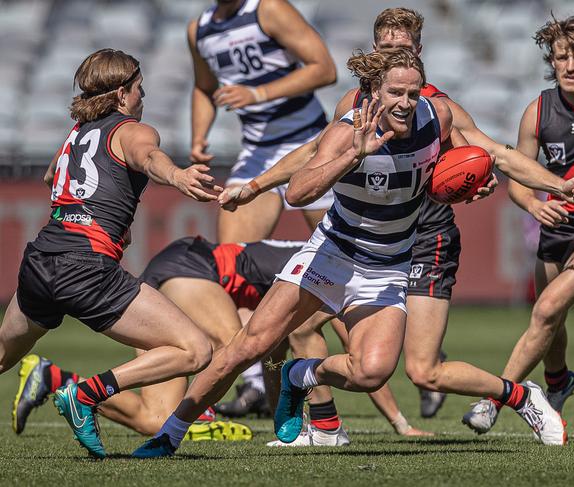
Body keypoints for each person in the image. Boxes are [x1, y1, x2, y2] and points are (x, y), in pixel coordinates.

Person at [131, 48, 564, 458]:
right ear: (375, 91)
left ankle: (299, 375)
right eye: (396, 93)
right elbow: (299, 193)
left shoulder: (439, 118)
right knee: (248, 346)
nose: (406, 102)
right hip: (331, 255)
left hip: (390, 264)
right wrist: (353, 155)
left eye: (413, 93)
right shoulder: (348, 130)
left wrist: (544, 184)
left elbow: (490, 157)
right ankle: (170, 433)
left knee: (371, 372)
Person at [219, 7, 574, 440]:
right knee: (303, 326)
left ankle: (520, 396)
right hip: (364, 245)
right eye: (385, 47)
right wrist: (257, 184)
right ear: (375, 52)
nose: (393, 54)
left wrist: (554, 185)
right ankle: (320, 418)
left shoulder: (436, 107)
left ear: (418, 51)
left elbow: (496, 155)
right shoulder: (354, 104)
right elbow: (311, 155)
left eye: (402, 48)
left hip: (426, 237)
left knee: (424, 370)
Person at [0, 49, 223, 459]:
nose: (144, 95)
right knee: (195, 350)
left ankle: (80, 393)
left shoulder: (78, 130)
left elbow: (53, 177)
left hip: (42, 258)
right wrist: (177, 175)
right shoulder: (133, 130)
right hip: (85, 267)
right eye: (140, 88)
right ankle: (85, 394)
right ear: (122, 93)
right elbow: (150, 159)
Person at [13, 235, 427, 445]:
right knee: (241, 346)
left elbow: (284, 351)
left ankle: (59, 382)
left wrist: (275, 407)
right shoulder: (329, 266)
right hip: (193, 266)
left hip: (175, 275)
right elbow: (346, 345)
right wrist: (399, 422)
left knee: (154, 420)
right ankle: (322, 428)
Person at [462, 14, 574, 435]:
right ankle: (559, 381)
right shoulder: (537, 111)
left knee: (546, 309)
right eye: (562, 56)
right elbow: (518, 182)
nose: (569, 66)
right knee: (550, 320)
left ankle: (494, 400)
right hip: (558, 225)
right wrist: (533, 205)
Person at [188, 0, 336, 409]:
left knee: (345, 262)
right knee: (231, 266)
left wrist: (258, 92)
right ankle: (254, 382)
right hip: (256, 152)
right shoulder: (198, 29)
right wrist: (199, 136)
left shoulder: (268, 9)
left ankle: (397, 357)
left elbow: (325, 68)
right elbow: (204, 88)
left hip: (311, 147)